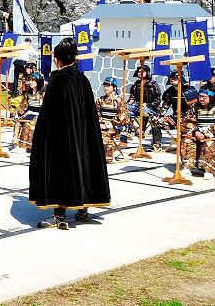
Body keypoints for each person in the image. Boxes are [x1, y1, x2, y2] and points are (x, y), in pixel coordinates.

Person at [29, 37, 110, 229]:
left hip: (61, 138)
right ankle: (83, 210)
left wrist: (42, 139)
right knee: (83, 165)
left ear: (57, 59)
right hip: (83, 137)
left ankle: (59, 216)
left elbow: (49, 116)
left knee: (59, 170)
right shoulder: (82, 80)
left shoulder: (58, 80)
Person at [180, 89, 215, 176]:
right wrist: (196, 131)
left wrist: (206, 132)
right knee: (186, 141)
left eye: (204, 97)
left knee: (209, 144)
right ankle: (187, 167)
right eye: (200, 97)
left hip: (213, 135)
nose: (201, 99)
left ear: (210, 98)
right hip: (197, 133)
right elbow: (187, 122)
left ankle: (209, 169)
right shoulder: (195, 108)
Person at [95, 77, 129, 163]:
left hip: (114, 127)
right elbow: (96, 113)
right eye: (105, 86)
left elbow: (123, 117)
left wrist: (111, 123)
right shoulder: (100, 100)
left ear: (114, 87)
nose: (106, 88)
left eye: (108, 86)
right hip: (102, 125)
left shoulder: (119, 101)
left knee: (105, 136)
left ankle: (108, 156)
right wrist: (100, 122)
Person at [11, 73, 45, 151]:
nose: (31, 82)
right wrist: (20, 113)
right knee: (18, 122)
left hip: (40, 113)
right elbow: (24, 106)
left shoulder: (43, 93)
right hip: (30, 112)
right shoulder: (28, 93)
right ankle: (20, 142)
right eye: (30, 80)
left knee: (29, 124)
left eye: (33, 80)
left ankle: (31, 144)